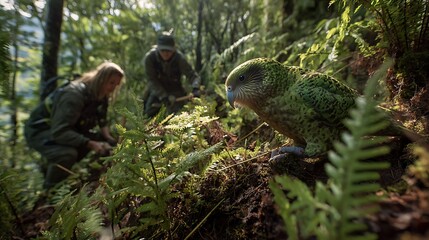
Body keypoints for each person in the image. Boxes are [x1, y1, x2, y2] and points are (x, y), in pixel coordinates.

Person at [24, 62, 125, 189]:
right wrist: (91, 144)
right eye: (111, 82)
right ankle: (50, 191)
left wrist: (109, 140)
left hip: (66, 130)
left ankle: (90, 177)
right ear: (102, 78)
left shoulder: (101, 95)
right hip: (40, 131)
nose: (113, 87)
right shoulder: (73, 96)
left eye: (116, 84)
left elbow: (102, 120)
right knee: (67, 154)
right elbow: (60, 131)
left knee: (103, 141)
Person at [143, 32, 201, 117]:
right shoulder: (150, 58)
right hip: (157, 91)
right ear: (157, 48)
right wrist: (163, 96)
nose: (166, 53)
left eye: (169, 50)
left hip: (176, 90)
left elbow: (193, 76)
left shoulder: (179, 58)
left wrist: (196, 87)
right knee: (148, 114)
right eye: (163, 50)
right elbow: (151, 80)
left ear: (174, 49)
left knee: (181, 116)